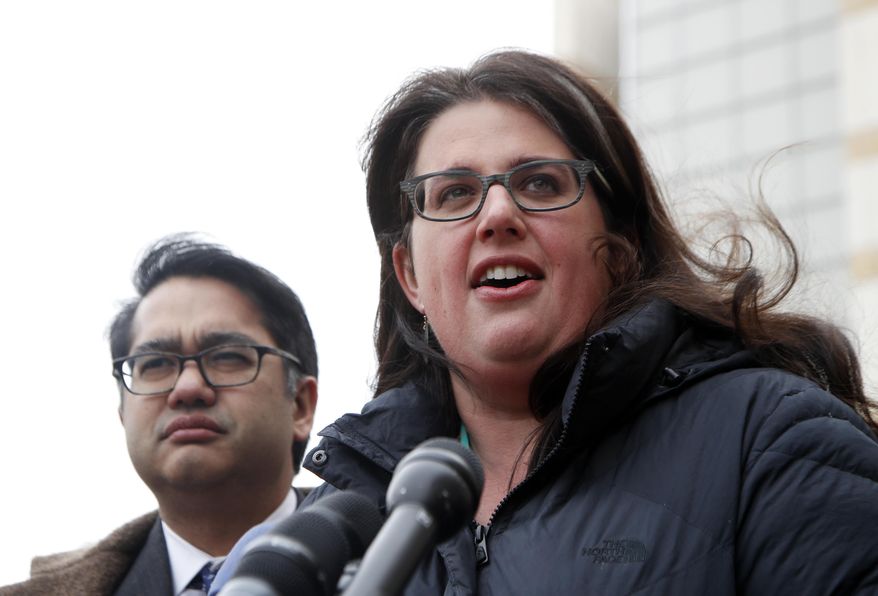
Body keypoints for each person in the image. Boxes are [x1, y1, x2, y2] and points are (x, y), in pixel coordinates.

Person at [300, 50, 878, 594]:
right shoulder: (336, 522)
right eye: (454, 193)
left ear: (621, 249)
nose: (498, 214)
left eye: (540, 183)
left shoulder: (768, 437)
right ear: (411, 278)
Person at [1, 235, 318, 595]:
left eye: (228, 357)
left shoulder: (389, 555)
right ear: (123, 411)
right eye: (155, 364)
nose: (187, 388)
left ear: (300, 406)